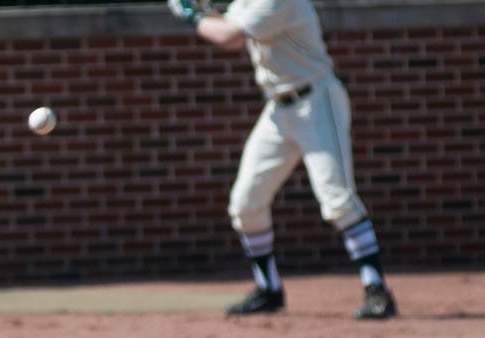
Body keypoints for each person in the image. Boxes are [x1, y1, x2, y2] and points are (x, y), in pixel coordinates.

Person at [167, 0, 397, 319]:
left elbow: (229, 37)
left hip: (316, 101)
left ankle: (378, 291)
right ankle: (269, 289)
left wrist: (189, 14)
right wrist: (201, 10)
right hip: (278, 109)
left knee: (337, 201)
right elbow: (224, 22)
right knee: (246, 203)